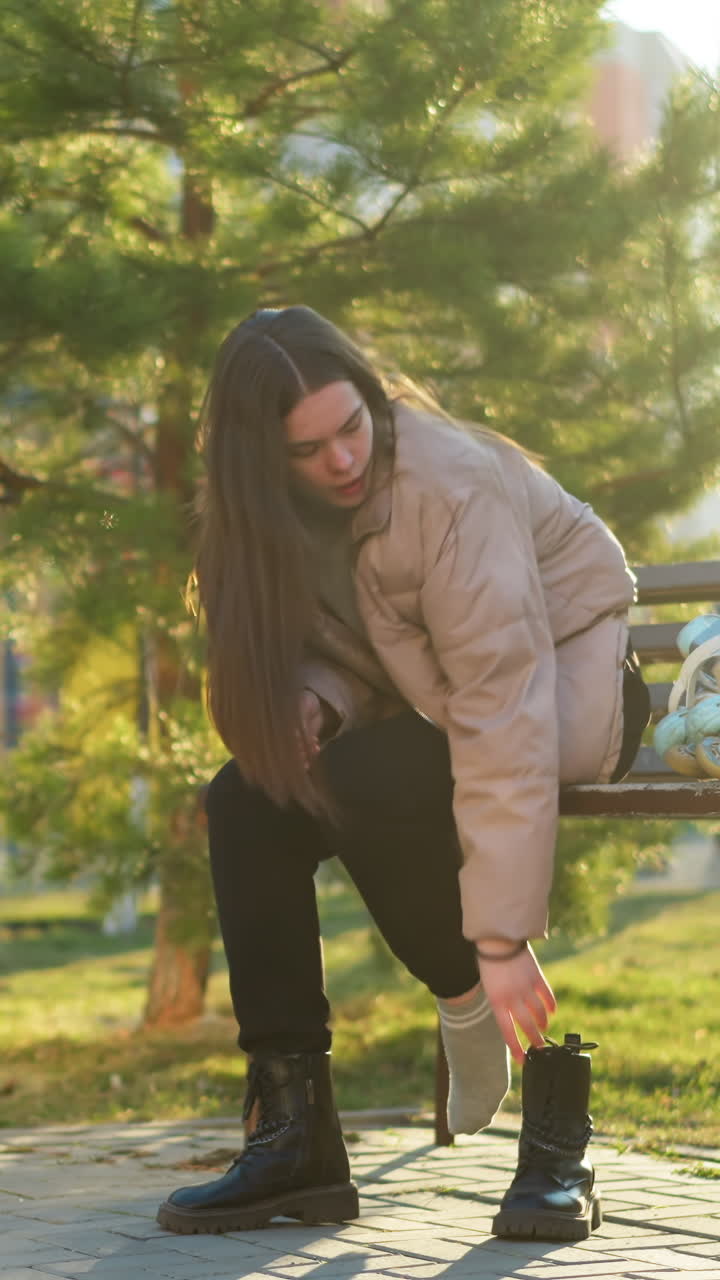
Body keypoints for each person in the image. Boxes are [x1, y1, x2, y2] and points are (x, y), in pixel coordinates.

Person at [156, 305, 650, 1240]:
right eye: (310, 450)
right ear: (259, 466)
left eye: (355, 426)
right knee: (247, 801)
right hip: (446, 705)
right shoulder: (267, 527)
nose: (344, 459)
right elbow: (378, 641)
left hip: (568, 693)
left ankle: (469, 997)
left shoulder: (446, 484)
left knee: (369, 776)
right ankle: (293, 1137)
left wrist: (499, 942)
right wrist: (316, 695)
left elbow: (502, 701)